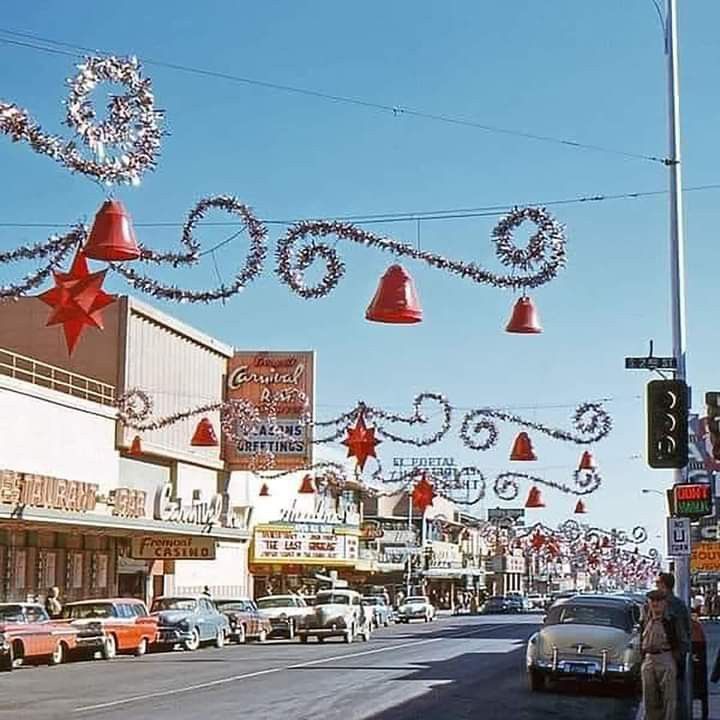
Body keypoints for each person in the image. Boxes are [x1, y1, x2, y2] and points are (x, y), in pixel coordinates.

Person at [641, 589, 680, 720]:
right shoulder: (646, 618)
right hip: (649, 658)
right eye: (652, 601)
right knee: (649, 697)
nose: (655, 604)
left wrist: (675, 659)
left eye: (658, 601)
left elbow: (680, 640)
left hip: (665, 656)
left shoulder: (671, 620)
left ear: (664, 603)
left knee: (668, 699)